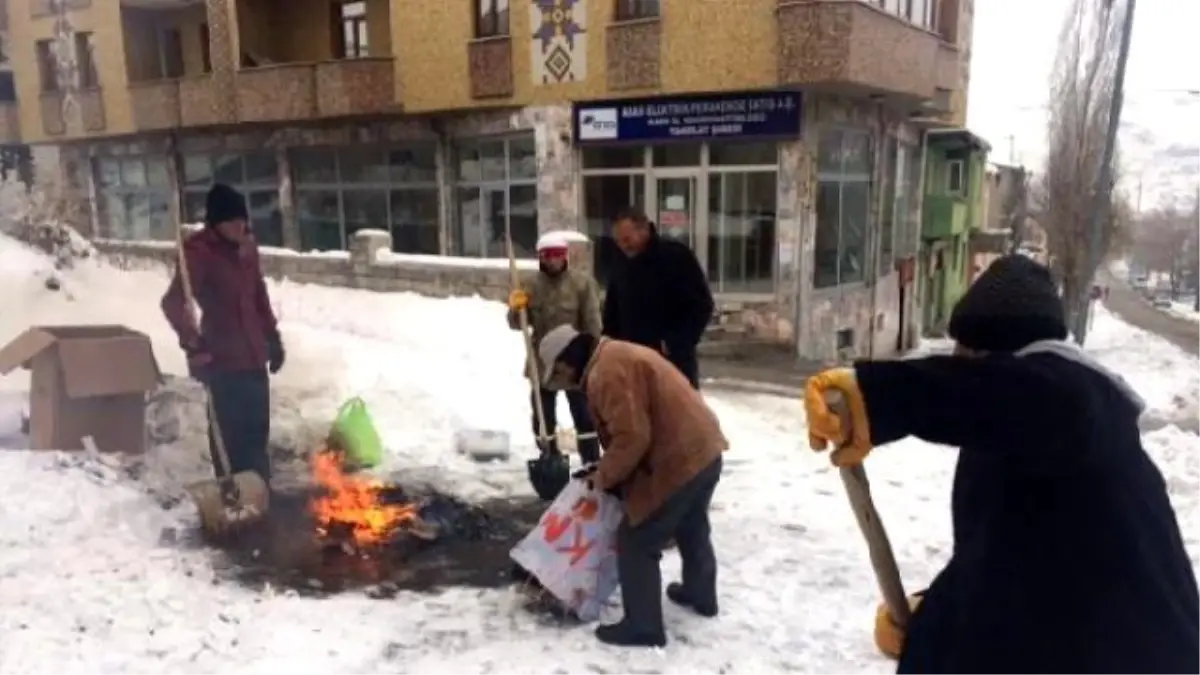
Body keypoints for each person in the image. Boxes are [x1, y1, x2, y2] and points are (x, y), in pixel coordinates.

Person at [803, 255, 1200, 675]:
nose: (956, 359)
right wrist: (934, 619)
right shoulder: (1017, 440)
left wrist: (879, 396)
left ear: (1002, 357)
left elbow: (1009, 396)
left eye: (968, 352)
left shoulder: (1071, 403)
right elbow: (1002, 562)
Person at [537, 323, 728, 648]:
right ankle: (700, 595)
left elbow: (632, 438)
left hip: (677, 459)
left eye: (558, 373)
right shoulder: (614, 355)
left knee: (637, 539)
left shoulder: (605, 373)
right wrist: (605, 468)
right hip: (704, 450)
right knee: (691, 524)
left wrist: (603, 479)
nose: (562, 381)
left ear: (566, 362)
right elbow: (635, 428)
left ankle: (643, 626)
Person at [161, 183, 285, 485]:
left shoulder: (247, 248)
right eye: (232, 221)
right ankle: (231, 491)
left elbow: (259, 296)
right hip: (221, 361)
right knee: (230, 439)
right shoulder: (199, 252)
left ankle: (259, 491)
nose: (240, 226)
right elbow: (174, 302)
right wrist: (192, 342)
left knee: (256, 434)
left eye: (243, 220)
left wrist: (272, 338)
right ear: (217, 223)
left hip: (254, 356)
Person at [507, 232, 603, 464]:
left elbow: (593, 323)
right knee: (542, 416)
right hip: (542, 361)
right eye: (547, 257)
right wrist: (516, 308)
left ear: (565, 257)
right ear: (541, 258)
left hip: (575, 361)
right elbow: (515, 324)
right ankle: (549, 456)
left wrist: (593, 356)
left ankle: (591, 461)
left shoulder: (581, 284)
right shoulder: (530, 286)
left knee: (584, 414)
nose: (552, 261)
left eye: (557, 256)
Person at [602, 207, 713, 388]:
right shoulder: (621, 263)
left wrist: (672, 344)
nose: (623, 246)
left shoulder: (676, 257)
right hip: (632, 363)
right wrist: (609, 347)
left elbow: (701, 306)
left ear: (644, 230)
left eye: (627, 239)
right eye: (618, 241)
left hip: (672, 363)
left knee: (677, 414)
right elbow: (612, 312)